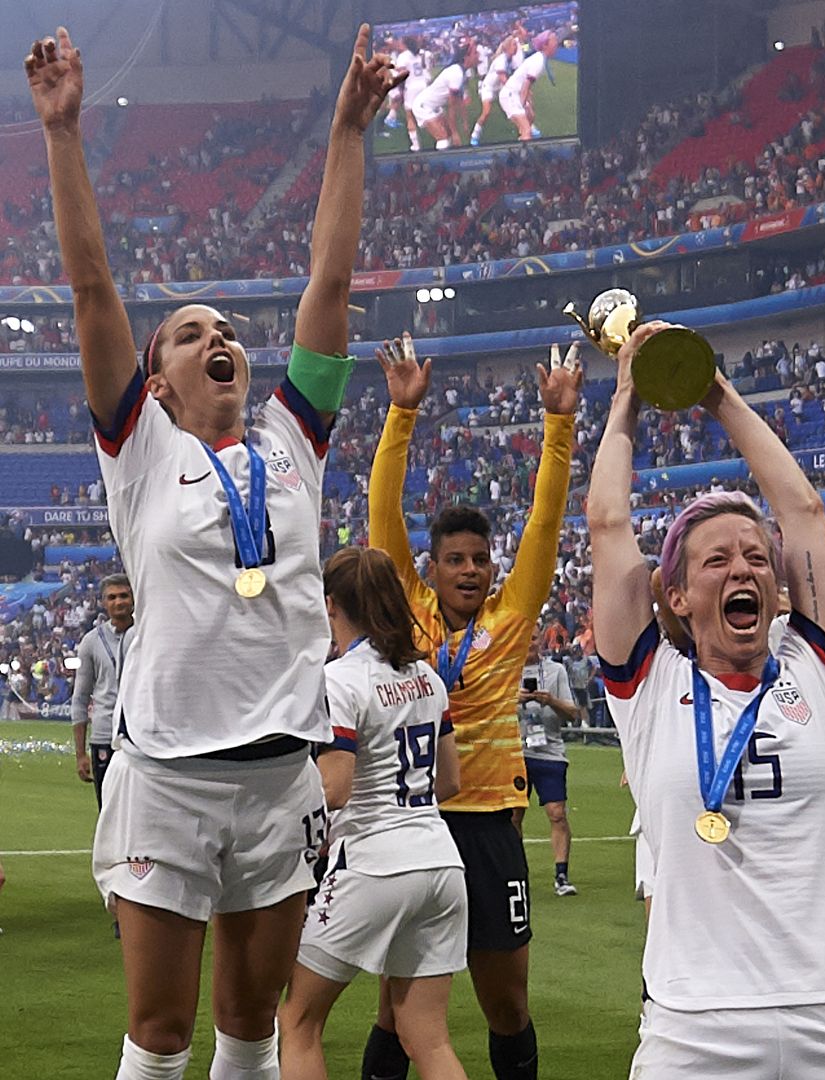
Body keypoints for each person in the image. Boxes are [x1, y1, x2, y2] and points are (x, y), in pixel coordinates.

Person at [30, 24, 386, 1080]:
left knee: (250, 1026)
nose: (214, 335)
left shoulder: (291, 441)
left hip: (279, 775)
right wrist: (62, 134)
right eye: (189, 331)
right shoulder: (139, 451)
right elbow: (94, 290)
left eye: (224, 326)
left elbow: (329, 282)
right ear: (159, 375)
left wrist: (348, 131)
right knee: (161, 1032)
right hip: (170, 776)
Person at [587, 325, 825, 1078]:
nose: (746, 569)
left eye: (758, 558)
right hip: (697, 1025)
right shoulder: (648, 683)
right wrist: (630, 393)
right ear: (675, 593)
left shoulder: (817, 669)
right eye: (719, 559)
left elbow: (803, 514)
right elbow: (607, 524)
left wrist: (715, 391)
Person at [364, 332, 581, 1080]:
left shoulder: (512, 617)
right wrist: (401, 415)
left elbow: (545, 524)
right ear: (431, 567)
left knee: (506, 1005)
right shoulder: (408, 606)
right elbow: (382, 513)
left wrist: (559, 426)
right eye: (454, 559)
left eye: (478, 560)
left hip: (491, 827)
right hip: (414, 824)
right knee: (396, 1009)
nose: (468, 570)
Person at [279, 548, 465, 1080]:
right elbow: (450, 780)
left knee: (298, 1021)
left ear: (330, 603)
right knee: (428, 1039)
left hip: (373, 863)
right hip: (441, 863)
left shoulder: (340, 680)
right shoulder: (427, 677)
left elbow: (334, 789)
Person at [516, 638, 582, 896]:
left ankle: (562, 875)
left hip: (550, 752)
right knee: (513, 816)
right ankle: (516, 871)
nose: (530, 643)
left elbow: (572, 712)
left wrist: (551, 700)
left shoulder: (556, 670)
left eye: (533, 637)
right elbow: (489, 709)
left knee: (557, 813)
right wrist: (514, 699)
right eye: (526, 636)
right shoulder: (507, 668)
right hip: (515, 752)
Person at [72, 573, 133, 809]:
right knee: (108, 809)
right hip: (104, 736)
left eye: (124, 596)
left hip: (143, 735)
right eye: (112, 597)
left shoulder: (149, 635)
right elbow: (80, 699)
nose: (119, 602)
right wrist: (80, 754)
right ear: (103, 602)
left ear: (133, 598)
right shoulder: (91, 641)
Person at [500, 32, 557, 142]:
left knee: (530, 117)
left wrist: (527, 102)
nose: (556, 43)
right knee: (527, 130)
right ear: (545, 45)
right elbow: (525, 86)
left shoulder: (539, 58)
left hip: (514, 93)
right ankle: (523, 155)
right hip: (510, 95)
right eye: (553, 40)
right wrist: (522, 105)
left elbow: (525, 84)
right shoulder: (539, 61)